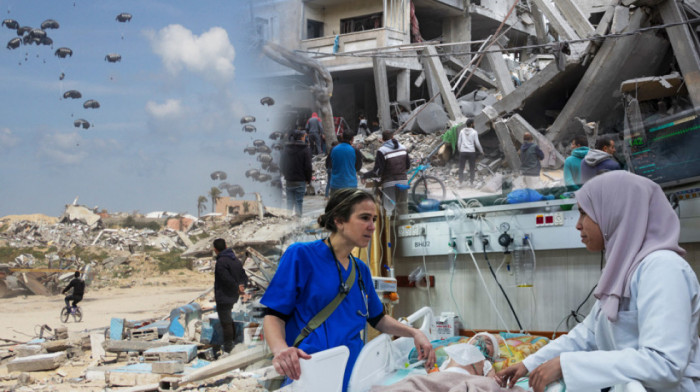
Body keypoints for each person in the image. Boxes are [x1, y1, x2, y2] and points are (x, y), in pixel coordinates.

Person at [497, 171, 700, 392]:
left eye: (584, 214)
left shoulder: (663, 268)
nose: (578, 225)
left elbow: (665, 366)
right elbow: (588, 334)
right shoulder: (625, 270)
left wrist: (567, 365)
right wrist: (529, 364)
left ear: (615, 213)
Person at [261, 189, 436, 392]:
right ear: (339, 221)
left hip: (353, 376)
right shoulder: (301, 256)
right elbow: (274, 314)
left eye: (374, 219)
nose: (372, 226)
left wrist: (413, 333)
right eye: (364, 218)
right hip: (310, 373)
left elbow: (378, 319)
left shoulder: (361, 270)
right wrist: (280, 349)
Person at [361, 130, 411, 214]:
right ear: (393, 137)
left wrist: (365, 175)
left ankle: (391, 226)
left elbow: (377, 171)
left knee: (389, 211)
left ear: (382, 139)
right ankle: (404, 225)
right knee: (403, 209)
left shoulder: (382, 151)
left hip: (389, 184)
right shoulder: (403, 148)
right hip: (403, 182)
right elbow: (408, 166)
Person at [213, 238, 248, 354]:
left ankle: (228, 348)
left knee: (226, 322)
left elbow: (225, 279)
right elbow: (243, 275)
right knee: (228, 319)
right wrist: (242, 285)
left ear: (215, 249)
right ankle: (232, 344)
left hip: (224, 296)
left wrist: (236, 287)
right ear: (226, 246)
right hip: (233, 296)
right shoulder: (235, 260)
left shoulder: (221, 262)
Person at [281, 130, 312, 217]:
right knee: (299, 201)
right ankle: (298, 222)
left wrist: (286, 174)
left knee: (289, 201)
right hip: (300, 179)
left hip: (289, 179)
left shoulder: (286, 149)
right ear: (302, 137)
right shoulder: (305, 150)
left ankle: (288, 220)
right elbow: (308, 167)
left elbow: (282, 164)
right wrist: (308, 179)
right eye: (304, 136)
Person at [326, 131, 363, 195]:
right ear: (352, 139)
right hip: (350, 184)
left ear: (342, 137)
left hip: (336, 184)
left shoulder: (333, 149)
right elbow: (358, 167)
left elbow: (328, 164)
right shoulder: (355, 151)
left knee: (337, 205)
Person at [456, 119, 484, 186]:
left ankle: (460, 183)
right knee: (472, 168)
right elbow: (477, 143)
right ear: (471, 124)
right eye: (473, 123)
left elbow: (459, 142)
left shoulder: (462, 131)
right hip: (471, 152)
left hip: (463, 151)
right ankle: (471, 183)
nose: (474, 124)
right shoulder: (474, 132)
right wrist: (481, 151)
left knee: (461, 168)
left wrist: (460, 150)